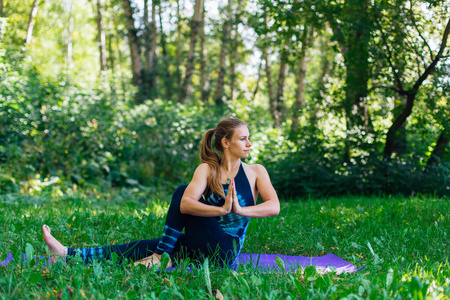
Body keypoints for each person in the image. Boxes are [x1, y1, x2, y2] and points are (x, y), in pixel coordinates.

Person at [42, 118, 280, 268]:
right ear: (226, 143)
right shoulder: (207, 170)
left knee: (177, 202)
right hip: (201, 242)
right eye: (243, 138)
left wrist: (238, 209)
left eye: (249, 138)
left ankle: (161, 255)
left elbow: (273, 207)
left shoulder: (256, 172)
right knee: (143, 245)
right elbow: (185, 204)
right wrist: (221, 209)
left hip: (225, 251)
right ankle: (68, 254)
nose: (249, 143)